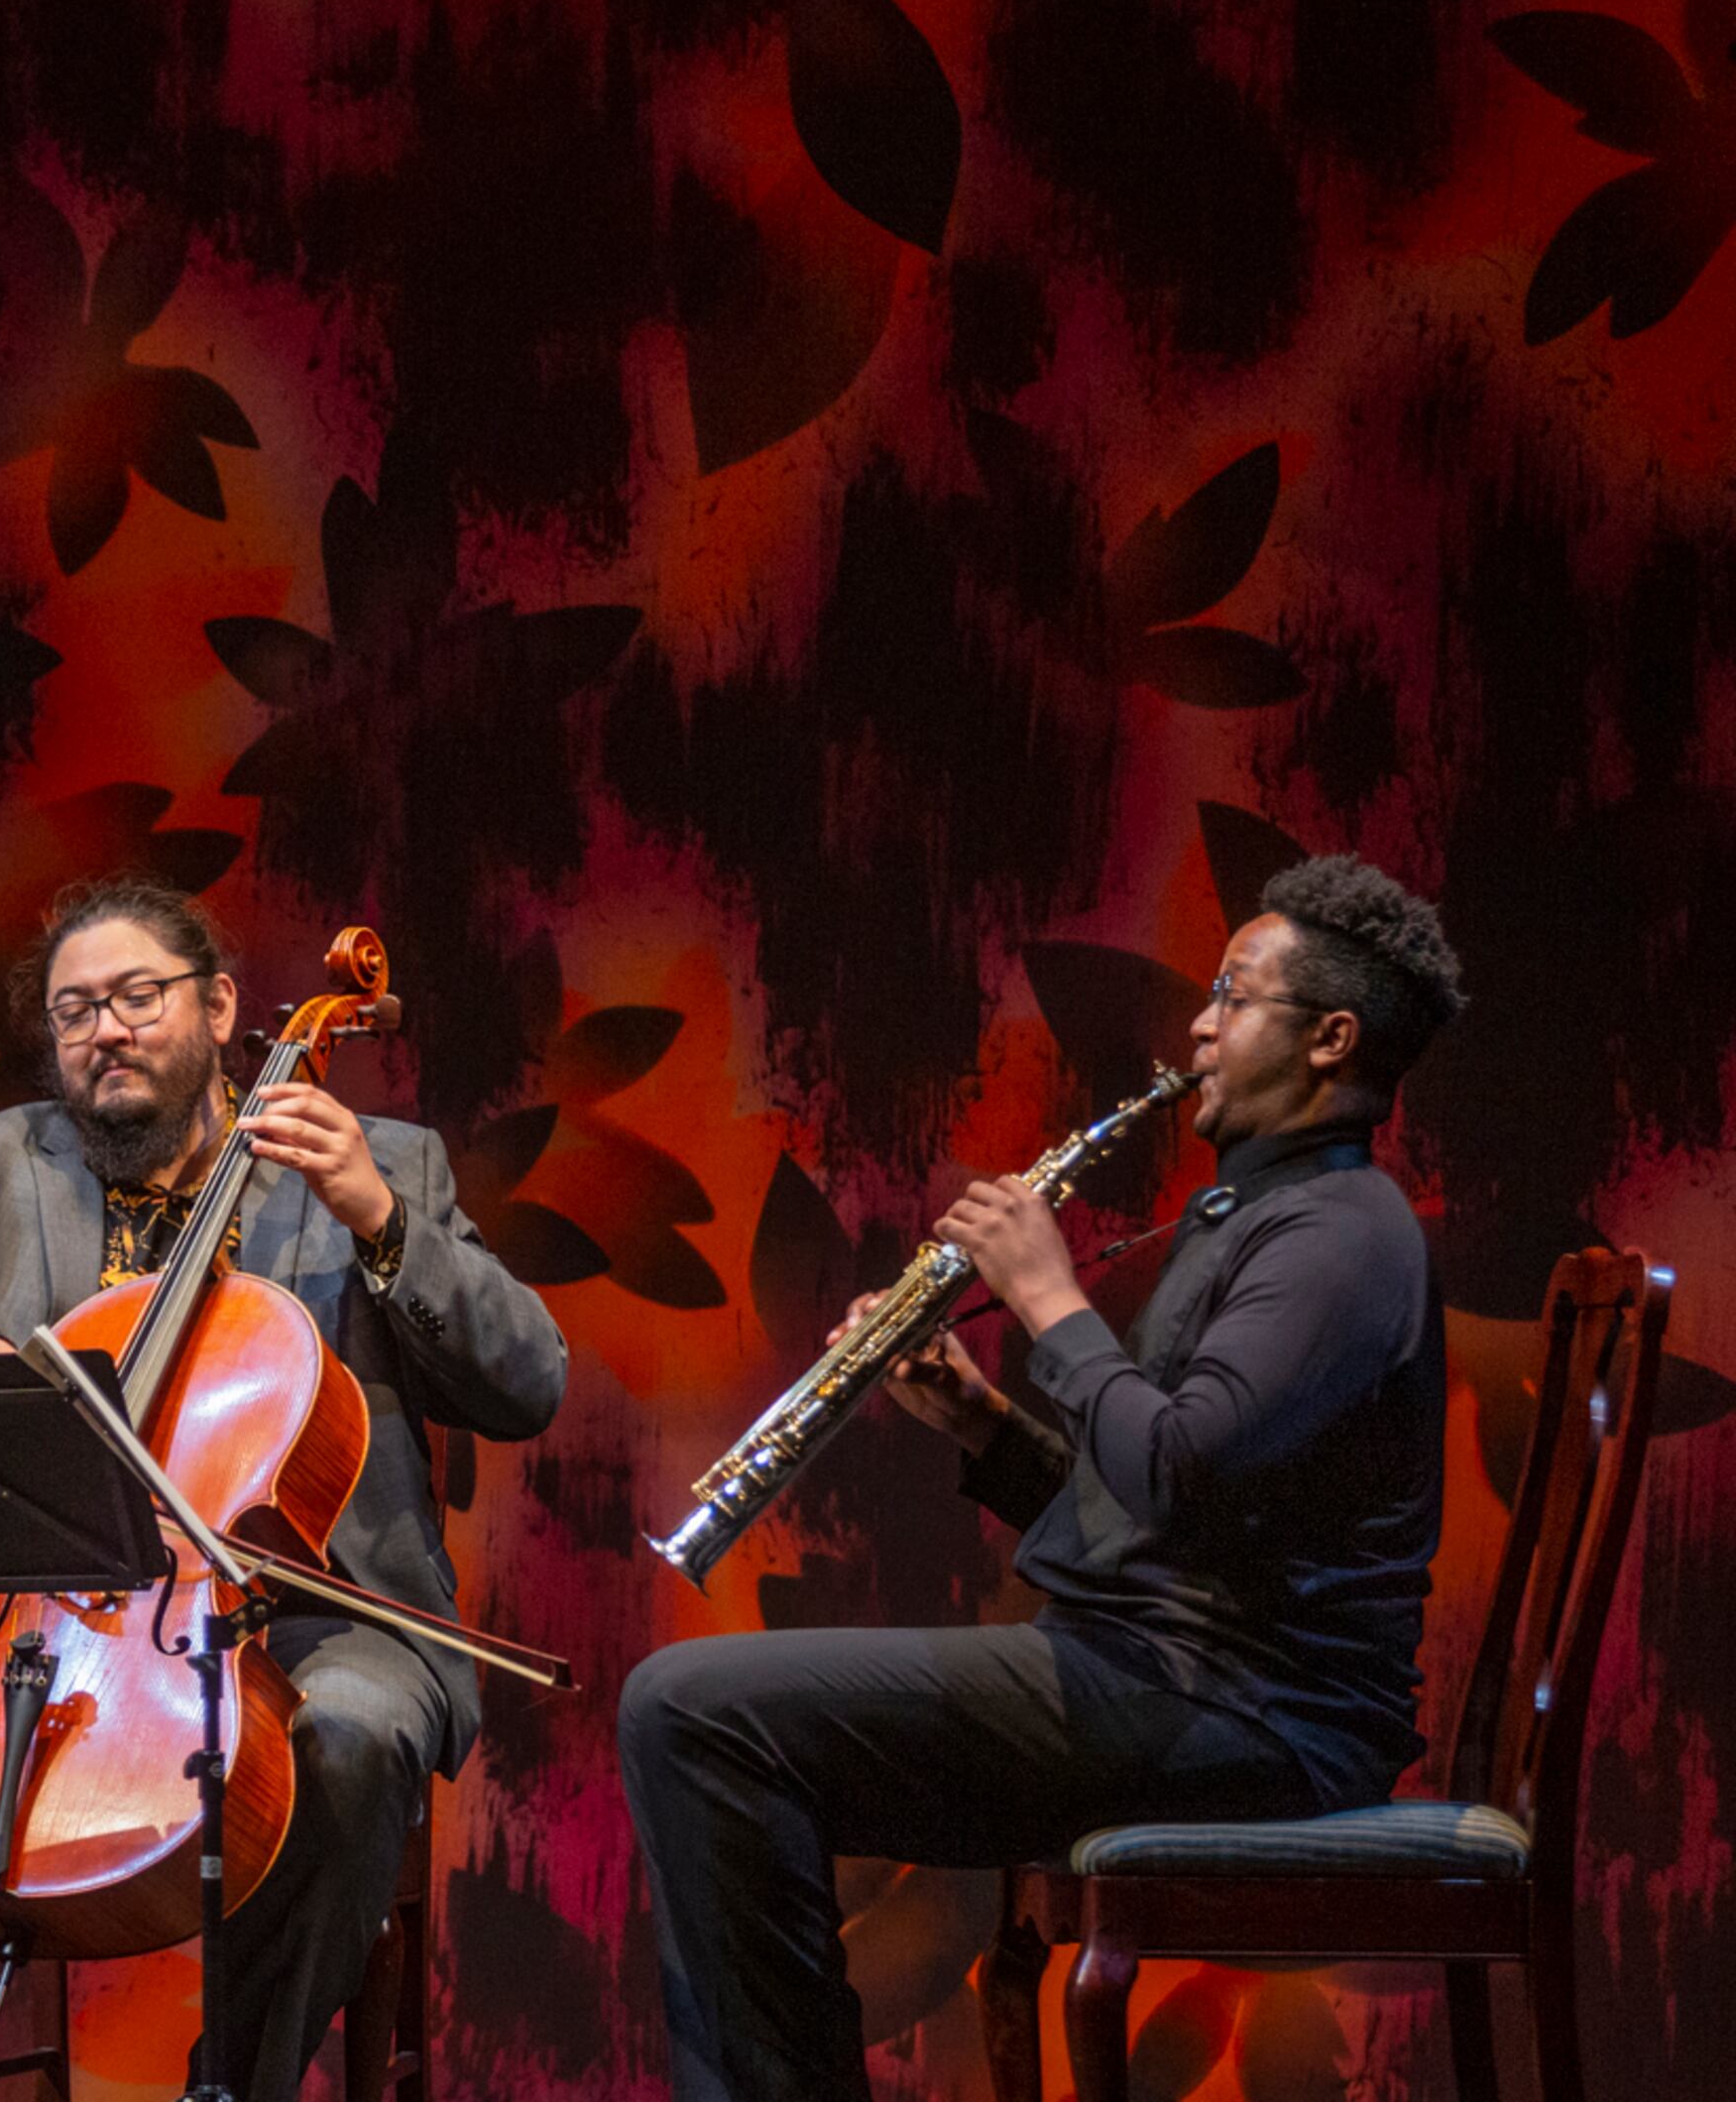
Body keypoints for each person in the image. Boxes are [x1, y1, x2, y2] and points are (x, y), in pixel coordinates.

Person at [617, 855, 1469, 2101]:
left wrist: (1046, 1291)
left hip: (1247, 1716)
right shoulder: (1267, 1216)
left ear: (1331, 1038)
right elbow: (1169, 1511)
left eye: (1234, 998)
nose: (1199, 1023)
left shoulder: (1345, 1238)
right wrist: (981, 1424)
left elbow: (1172, 1474)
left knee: (693, 1711)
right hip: (1173, 1678)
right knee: (702, 1723)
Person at [0, 876, 570, 2102]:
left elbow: (526, 1381)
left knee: (347, 1739)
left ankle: (231, 2085)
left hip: (310, 1608)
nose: (108, 1030)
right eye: (78, 1010)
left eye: (140, 995)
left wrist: (379, 1219)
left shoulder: (378, 1163)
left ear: (219, 1006)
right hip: (28, 1599)